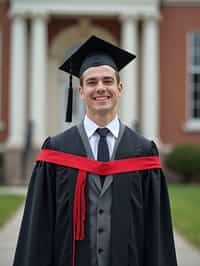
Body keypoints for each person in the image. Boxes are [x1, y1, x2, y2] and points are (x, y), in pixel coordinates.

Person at [13, 35, 177, 266]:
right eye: (91, 82)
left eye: (108, 81)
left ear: (119, 88)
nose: (101, 88)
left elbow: (157, 234)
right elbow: (37, 229)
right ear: (80, 91)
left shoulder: (143, 152)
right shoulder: (57, 151)